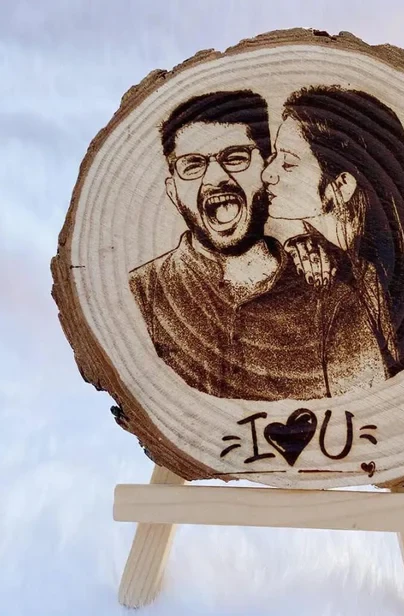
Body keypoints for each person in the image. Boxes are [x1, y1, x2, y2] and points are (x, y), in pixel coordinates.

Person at [128, 90, 385, 400]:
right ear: (173, 191)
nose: (215, 178)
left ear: (265, 171)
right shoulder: (139, 293)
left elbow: (365, 410)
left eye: (235, 158)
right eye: (192, 165)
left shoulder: (331, 286)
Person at [262, 86, 404, 377]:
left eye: (288, 163)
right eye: (273, 156)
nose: (267, 174)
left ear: (342, 185)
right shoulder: (351, 262)